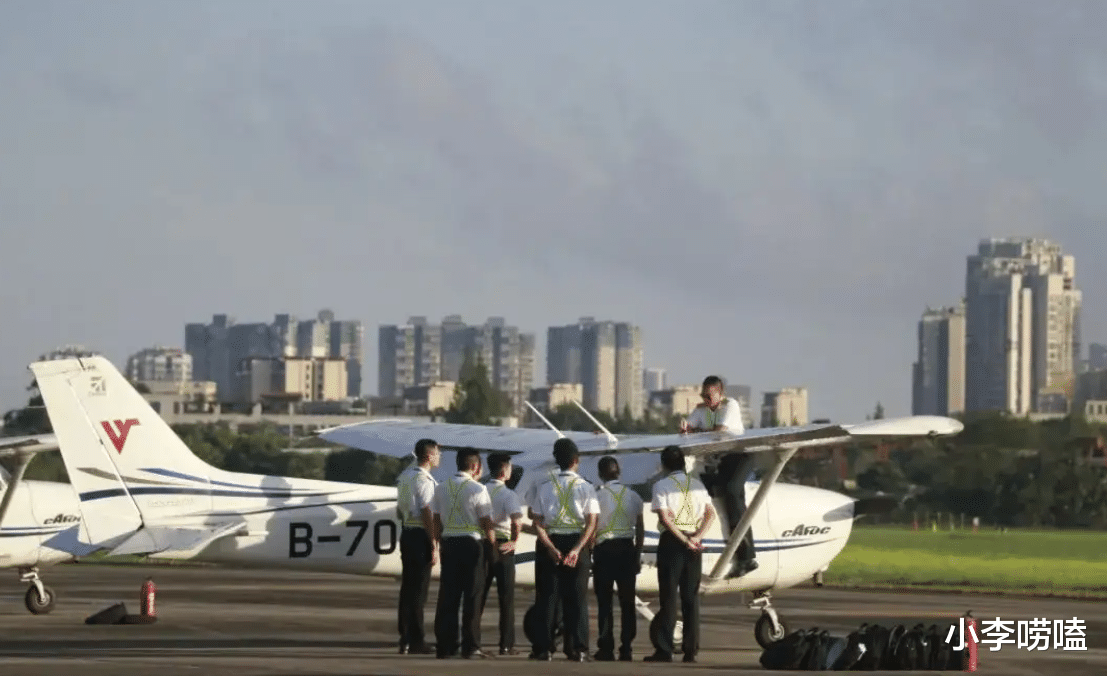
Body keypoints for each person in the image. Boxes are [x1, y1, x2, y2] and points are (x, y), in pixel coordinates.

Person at [528, 438, 599, 662]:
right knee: (576, 599)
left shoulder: (545, 486)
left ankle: (543, 649)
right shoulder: (586, 487)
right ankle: (577, 649)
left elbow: (537, 521)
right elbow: (591, 522)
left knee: (548, 598)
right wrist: (578, 549)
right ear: (576, 461)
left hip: (550, 541)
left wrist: (549, 547)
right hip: (576, 542)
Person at [645, 444, 716, 663]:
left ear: (664, 464)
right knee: (691, 598)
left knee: (669, 596)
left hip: (672, 543)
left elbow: (665, 519)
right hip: (694, 542)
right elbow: (710, 515)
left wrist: (683, 539)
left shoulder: (661, 485)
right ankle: (691, 650)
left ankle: (665, 649)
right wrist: (696, 537)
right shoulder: (697, 485)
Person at [681, 375, 758, 576]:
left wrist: (695, 430)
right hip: (719, 460)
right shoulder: (701, 410)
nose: (706, 400)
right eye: (703, 396)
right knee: (701, 489)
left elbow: (718, 432)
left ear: (720, 394)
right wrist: (688, 429)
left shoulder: (730, 405)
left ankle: (747, 556)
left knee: (732, 492)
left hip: (739, 456)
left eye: (709, 396)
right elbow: (686, 430)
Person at [432, 447, 498, 659]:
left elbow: (435, 519)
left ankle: (446, 645)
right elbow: (486, 521)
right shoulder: (478, 489)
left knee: (448, 596)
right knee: (472, 597)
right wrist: (493, 543)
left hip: (449, 543)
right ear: (475, 466)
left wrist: (437, 541)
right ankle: (471, 646)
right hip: (471, 545)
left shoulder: (441, 488)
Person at [591, 456, 644, 662]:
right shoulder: (633, 496)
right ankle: (627, 647)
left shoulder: (597, 496)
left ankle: (606, 647)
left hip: (604, 550)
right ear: (619, 472)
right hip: (626, 550)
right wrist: (637, 553)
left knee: (604, 602)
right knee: (627, 602)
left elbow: (593, 526)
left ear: (600, 474)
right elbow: (640, 528)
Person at [395, 438, 440, 655]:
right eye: (438, 453)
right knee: (419, 592)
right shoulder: (425, 481)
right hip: (420, 536)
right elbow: (427, 513)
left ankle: (404, 637)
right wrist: (433, 542)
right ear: (429, 456)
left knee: (407, 589)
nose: (439, 457)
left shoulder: (405, 477)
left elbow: (398, 510)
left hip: (406, 532)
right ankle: (416, 640)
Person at [479, 452, 524, 655]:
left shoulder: (479, 490)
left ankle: (472, 640)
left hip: (482, 544)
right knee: (506, 599)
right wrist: (514, 540)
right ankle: (506, 644)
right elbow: (516, 520)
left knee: (478, 595)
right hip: (504, 546)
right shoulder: (509, 495)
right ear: (504, 470)